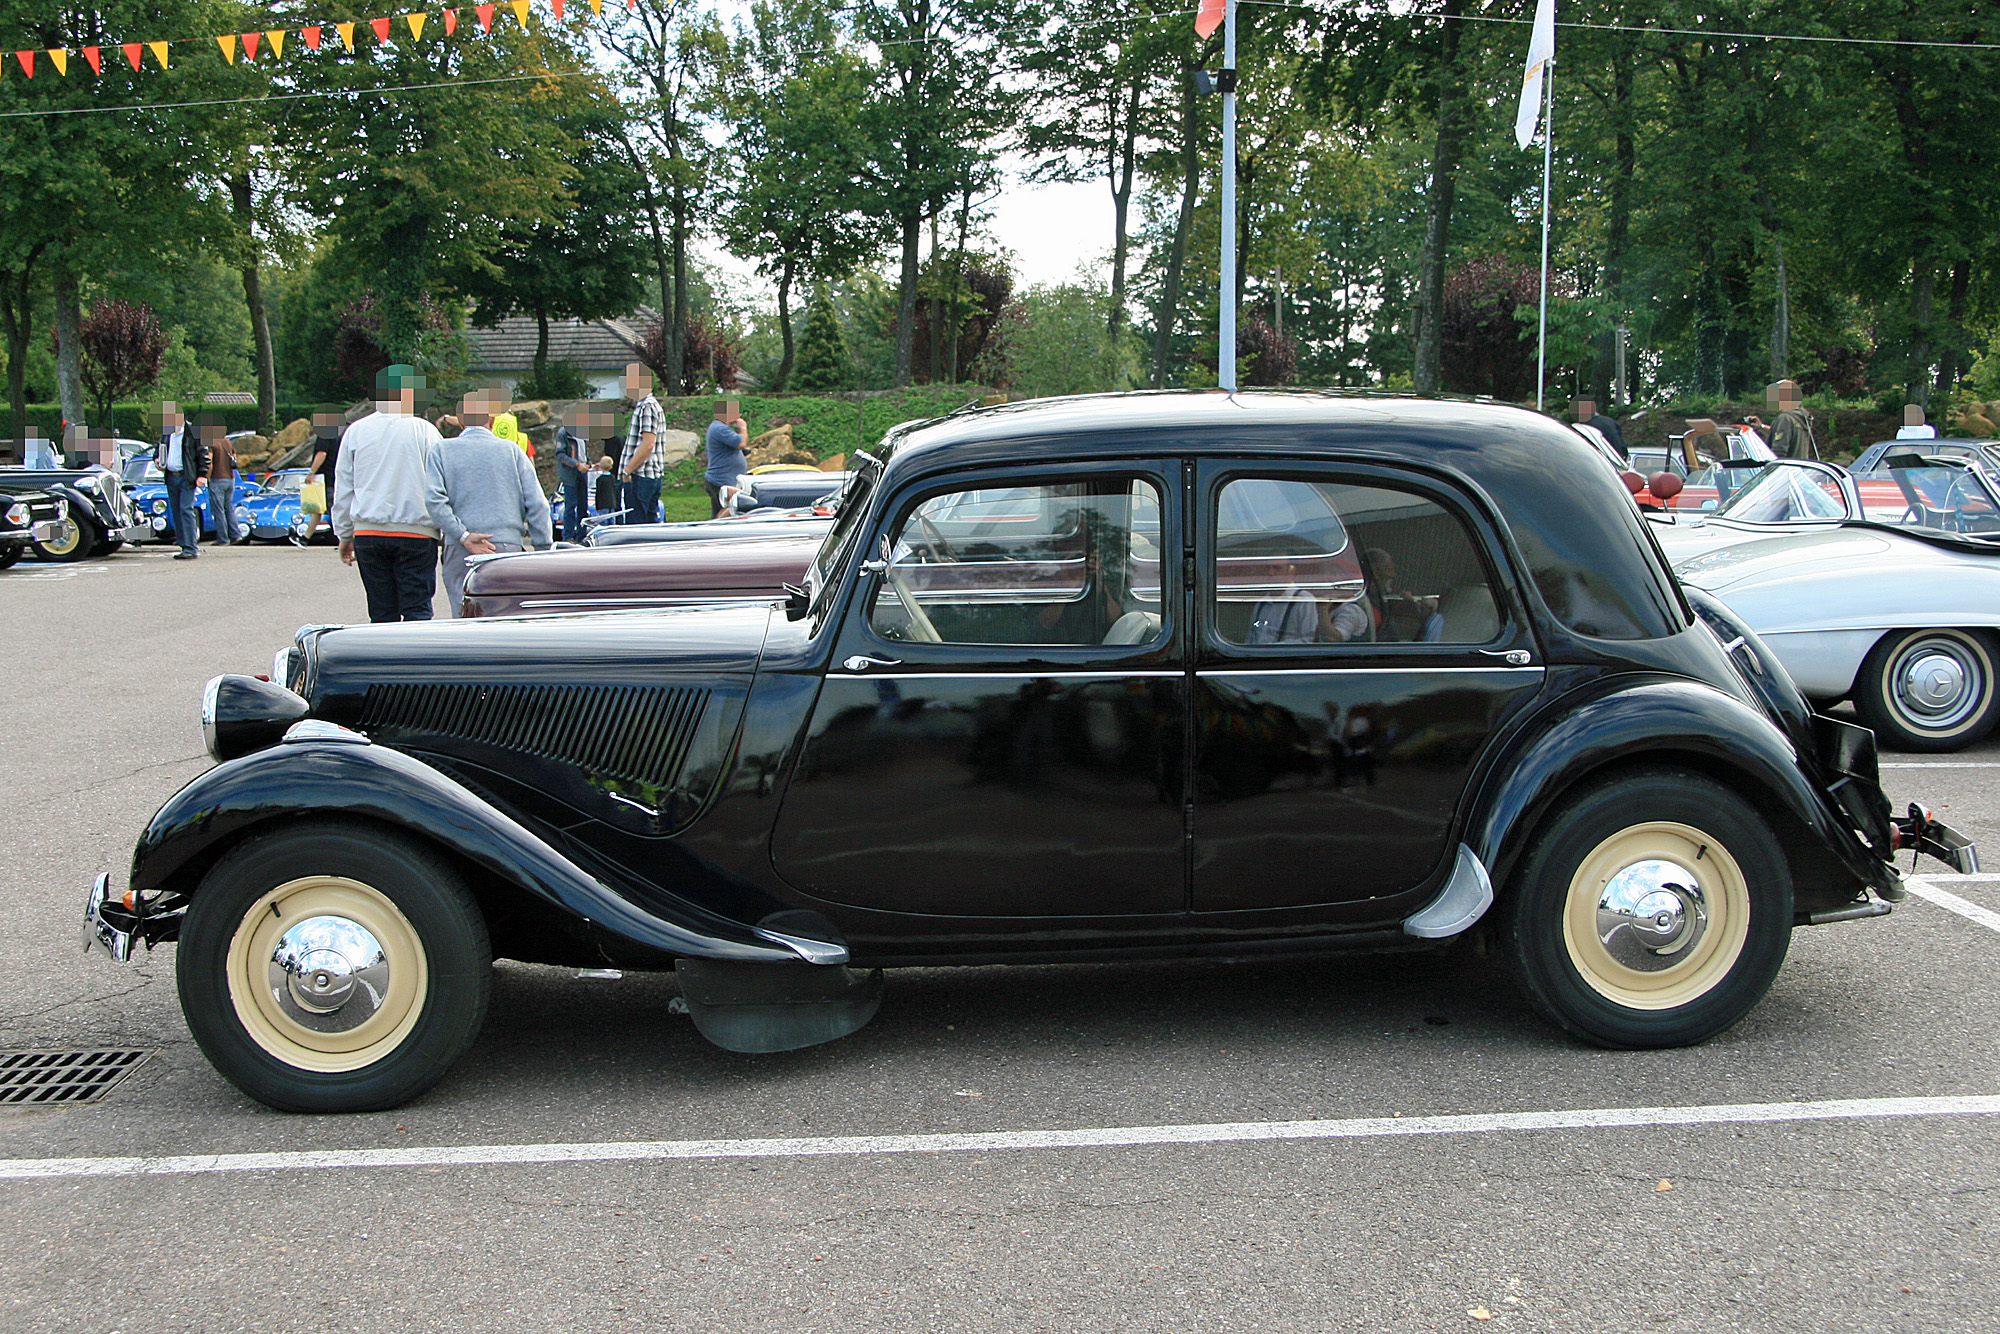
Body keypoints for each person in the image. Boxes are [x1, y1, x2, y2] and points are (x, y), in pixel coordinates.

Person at [426, 389, 554, 614]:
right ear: (492, 420)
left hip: (461, 549)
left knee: (464, 616)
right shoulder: (512, 451)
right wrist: (542, 547)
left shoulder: (441, 451)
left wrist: (463, 535)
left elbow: (434, 501)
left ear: (460, 420)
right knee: (508, 616)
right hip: (507, 546)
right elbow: (537, 504)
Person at [333, 365, 445, 623]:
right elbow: (441, 482)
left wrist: (345, 533)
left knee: (382, 612)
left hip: (368, 531)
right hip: (417, 531)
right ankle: (416, 661)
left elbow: (344, 487)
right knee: (418, 609)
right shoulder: (425, 431)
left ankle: (385, 660)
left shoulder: (356, 431)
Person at [156, 401, 209, 561]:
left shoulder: (193, 431)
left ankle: (190, 547)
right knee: (176, 511)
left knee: (186, 510)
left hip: (187, 476)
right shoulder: (167, 433)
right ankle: (183, 543)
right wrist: (158, 460)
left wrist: (202, 475)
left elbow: (203, 454)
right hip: (171, 476)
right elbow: (158, 449)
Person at [618, 363, 666, 524]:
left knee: (636, 525)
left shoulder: (647, 407)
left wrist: (627, 470)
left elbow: (648, 444)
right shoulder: (648, 406)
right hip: (647, 476)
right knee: (649, 524)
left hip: (641, 476)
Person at [554, 408, 599, 542]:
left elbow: (583, 454)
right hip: (570, 474)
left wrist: (590, 465)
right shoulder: (564, 434)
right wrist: (576, 464)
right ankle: (568, 537)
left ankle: (581, 535)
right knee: (570, 505)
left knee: (583, 506)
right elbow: (561, 455)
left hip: (583, 474)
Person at [1744, 380, 1818, 460]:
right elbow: (1786, 434)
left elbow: (1779, 451)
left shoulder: (1785, 418)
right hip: (1799, 469)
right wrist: (1761, 426)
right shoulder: (1800, 416)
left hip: (1787, 470)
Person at [704, 398, 749, 518]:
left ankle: (714, 529)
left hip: (723, 479)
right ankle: (715, 530)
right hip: (722, 480)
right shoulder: (720, 428)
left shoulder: (719, 428)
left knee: (724, 511)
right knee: (728, 511)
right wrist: (743, 428)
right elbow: (741, 443)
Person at [301, 412, 342, 544]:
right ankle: (305, 538)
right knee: (318, 509)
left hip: (325, 479)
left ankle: (342, 539)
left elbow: (322, 454)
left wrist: (311, 472)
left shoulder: (324, 435)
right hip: (335, 476)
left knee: (332, 509)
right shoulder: (338, 436)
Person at [203, 415, 243, 546]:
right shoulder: (227, 441)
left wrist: (207, 477)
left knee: (218, 509)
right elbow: (235, 456)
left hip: (217, 479)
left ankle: (222, 538)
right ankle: (236, 535)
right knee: (228, 508)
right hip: (230, 478)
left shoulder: (211, 442)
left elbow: (210, 462)